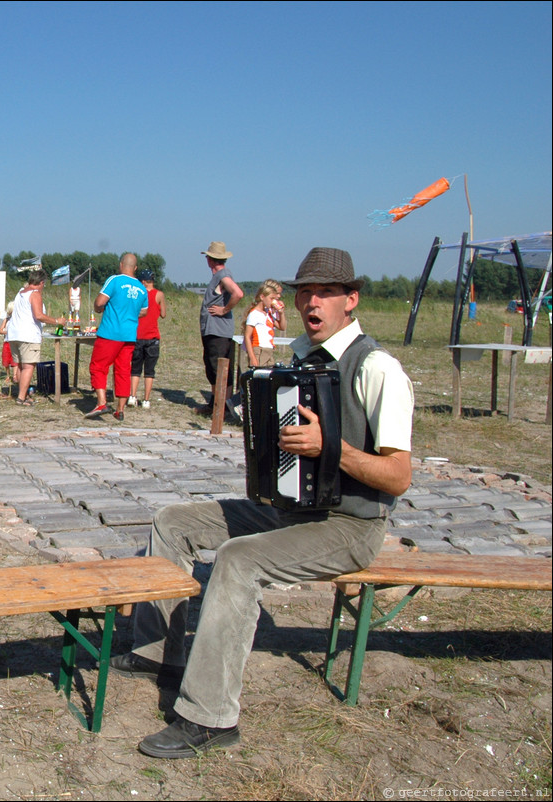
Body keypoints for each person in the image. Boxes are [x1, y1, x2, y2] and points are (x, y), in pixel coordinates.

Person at [111, 247, 414, 760]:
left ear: (351, 300)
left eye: (326, 292)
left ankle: (210, 717)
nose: (312, 301)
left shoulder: (377, 368)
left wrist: (330, 449)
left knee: (239, 561)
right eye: (305, 291)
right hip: (292, 508)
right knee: (173, 522)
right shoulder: (301, 358)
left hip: (350, 525)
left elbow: (398, 476)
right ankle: (157, 651)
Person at [84, 253, 147, 422]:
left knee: (98, 366)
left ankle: (102, 402)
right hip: (129, 336)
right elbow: (144, 311)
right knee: (123, 370)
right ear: (135, 268)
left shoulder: (115, 280)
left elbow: (99, 302)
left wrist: (100, 309)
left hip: (110, 333)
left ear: (121, 265)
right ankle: (120, 409)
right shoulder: (142, 288)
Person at [6, 269, 65, 406]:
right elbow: (39, 315)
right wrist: (57, 321)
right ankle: (21, 398)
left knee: (21, 366)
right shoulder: (35, 294)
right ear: (42, 282)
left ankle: (23, 394)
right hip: (28, 335)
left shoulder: (21, 292)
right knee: (28, 367)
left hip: (14, 334)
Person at [198, 241, 244, 414]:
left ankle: (221, 407)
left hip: (218, 331)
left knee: (218, 369)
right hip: (214, 330)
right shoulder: (221, 275)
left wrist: (224, 309)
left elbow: (238, 293)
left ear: (210, 259)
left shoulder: (223, 275)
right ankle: (216, 404)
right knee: (214, 368)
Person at [128, 268, 166, 410]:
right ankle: (146, 400)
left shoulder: (139, 294)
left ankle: (132, 396)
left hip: (137, 335)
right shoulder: (159, 294)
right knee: (150, 371)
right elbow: (163, 314)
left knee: (135, 368)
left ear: (143, 281)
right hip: (153, 337)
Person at [243, 279, 286, 368]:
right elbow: (247, 336)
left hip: (268, 349)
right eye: (271, 298)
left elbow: (282, 327)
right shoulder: (254, 314)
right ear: (262, 297)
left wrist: (281, 313)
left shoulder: (268, 313)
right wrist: (252, 358)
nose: (273, 301)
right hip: (259, 349)